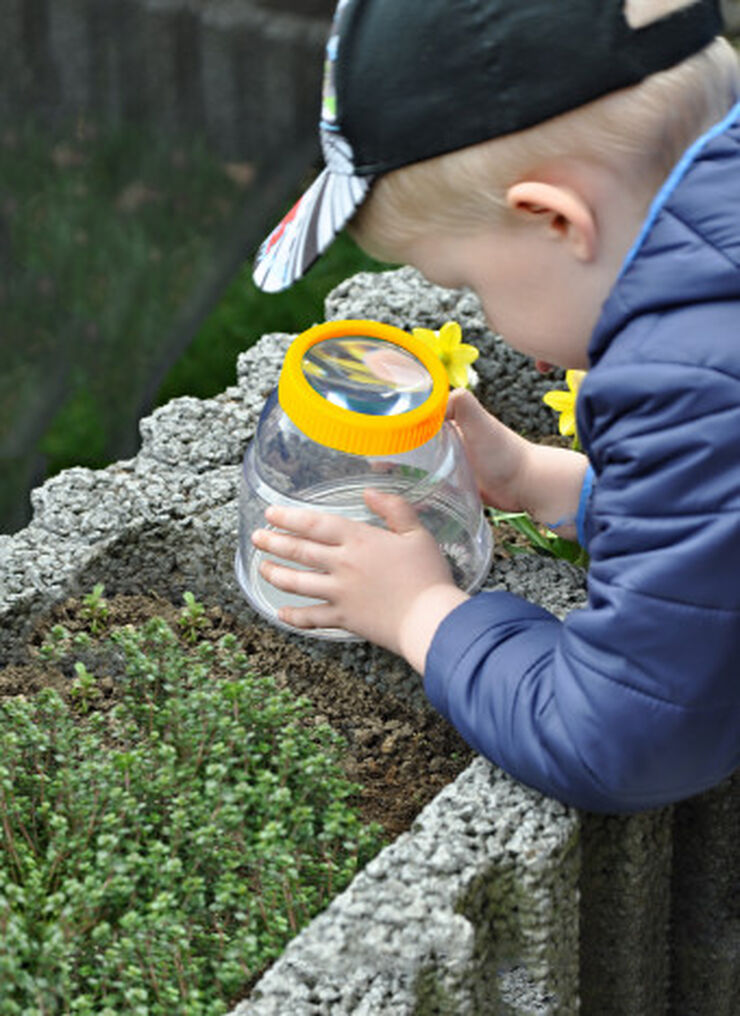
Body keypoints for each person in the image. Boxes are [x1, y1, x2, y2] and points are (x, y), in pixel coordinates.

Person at [250, 0, 740, 813]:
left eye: (471, 284)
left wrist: (421, 612)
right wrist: (553, 482)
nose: (486, 311)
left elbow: (624, 738)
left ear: (554, 218)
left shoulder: (684, 378)